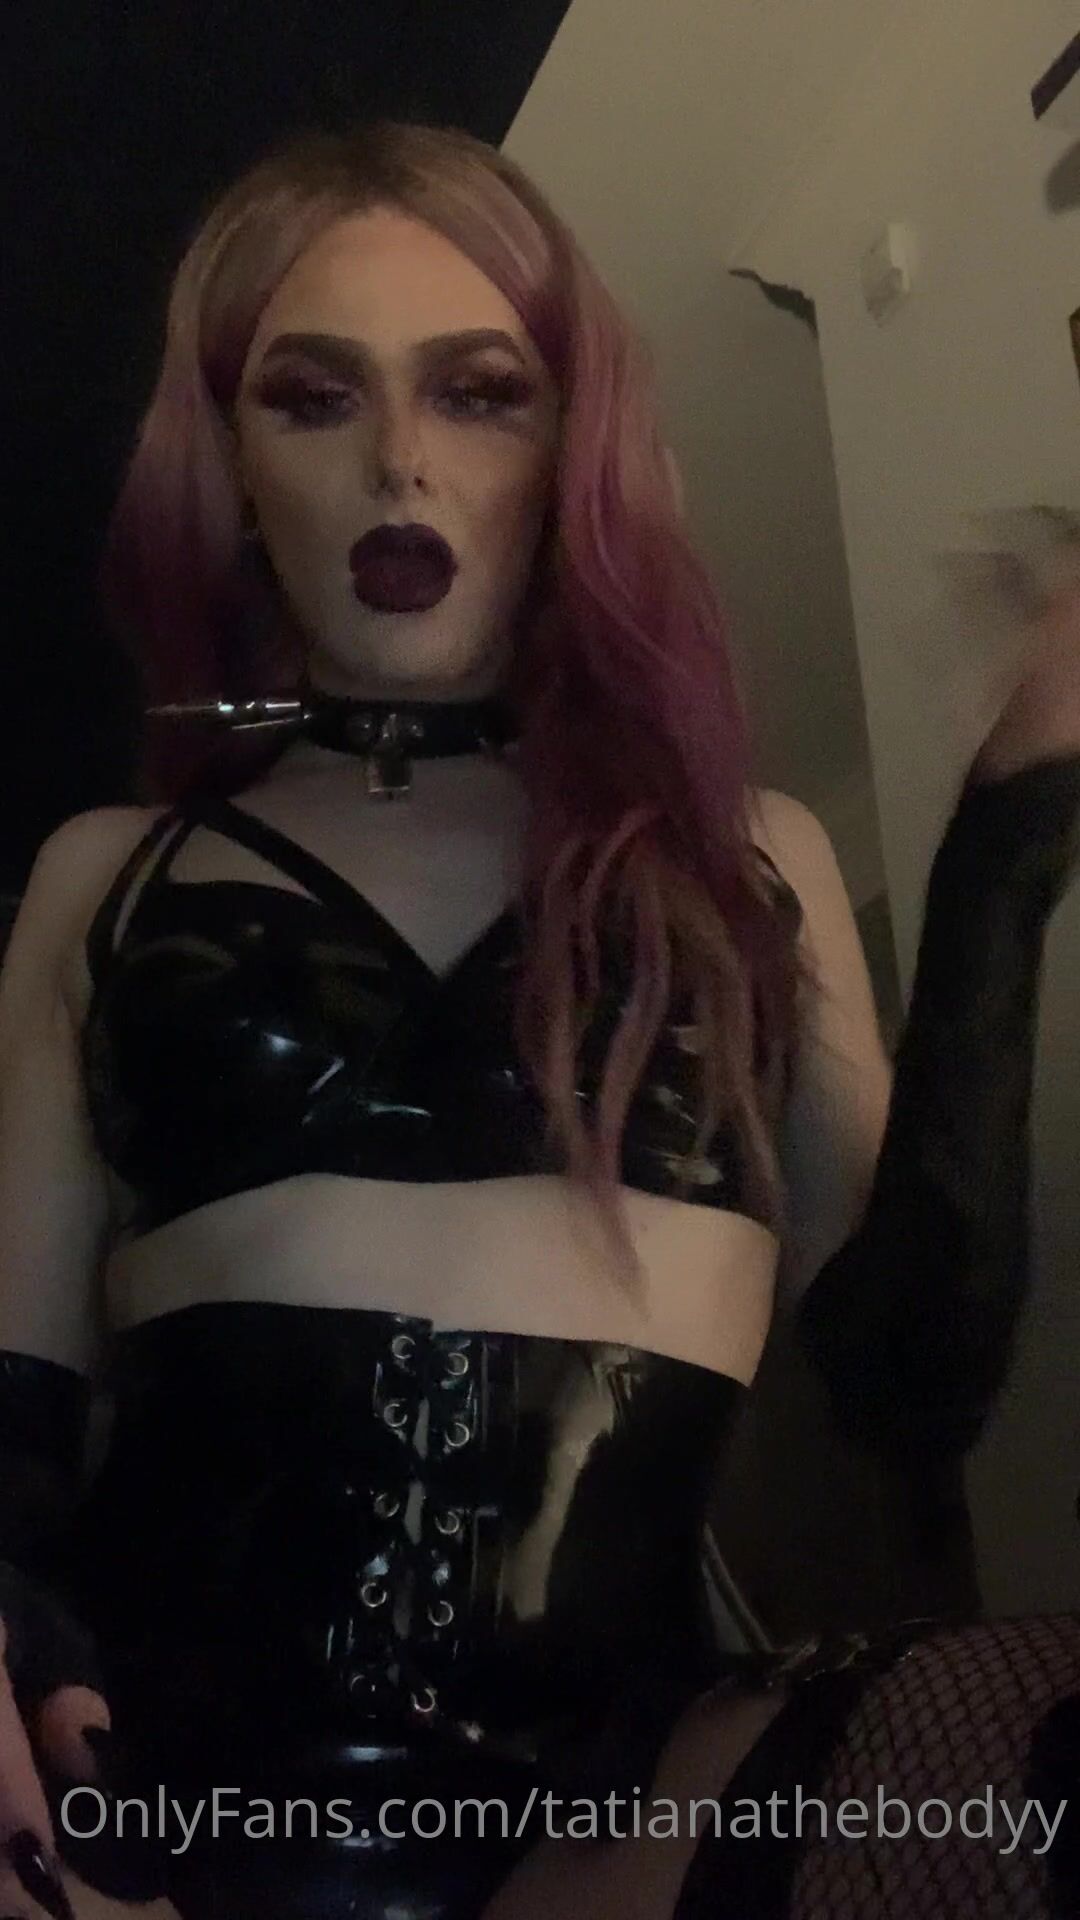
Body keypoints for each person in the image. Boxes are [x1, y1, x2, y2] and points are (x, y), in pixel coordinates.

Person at [0, 118, 1077, 1920]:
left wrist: (1018, 829)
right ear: (234, 467)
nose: (401, 460)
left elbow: (913, 1380)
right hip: (159, 1817)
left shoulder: (750, 863)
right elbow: (13, 1420)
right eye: (314, 397)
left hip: (606, 1833)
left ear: (572, 447)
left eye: (481, 391)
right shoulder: (107, 876)